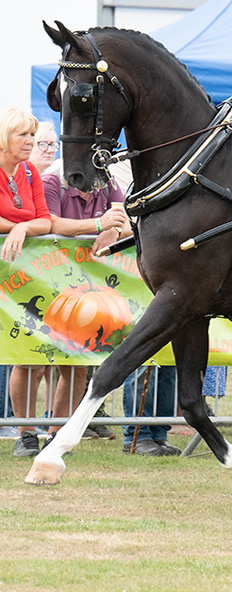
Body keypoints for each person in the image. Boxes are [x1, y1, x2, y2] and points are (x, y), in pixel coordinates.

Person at [39, 170, 131, 447]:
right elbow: (50, 223)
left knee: (77, 364)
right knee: (32, 359)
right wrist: (99, 225)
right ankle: (25, 432)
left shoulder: (110, 183)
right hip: (46, 279)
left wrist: (112, 230)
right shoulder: (52, 182)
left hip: (89, 290)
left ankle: (57, 431)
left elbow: (125, 223)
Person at [0, 108, 53, 457]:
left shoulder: (31, 170)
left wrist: (20, 226)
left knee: (27, 351)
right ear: (5, 137)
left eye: (32, 136)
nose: (31, 142)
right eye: (24, 135)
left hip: (26, 273)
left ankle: (29, 434)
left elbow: (45, 221)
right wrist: (19, 223)